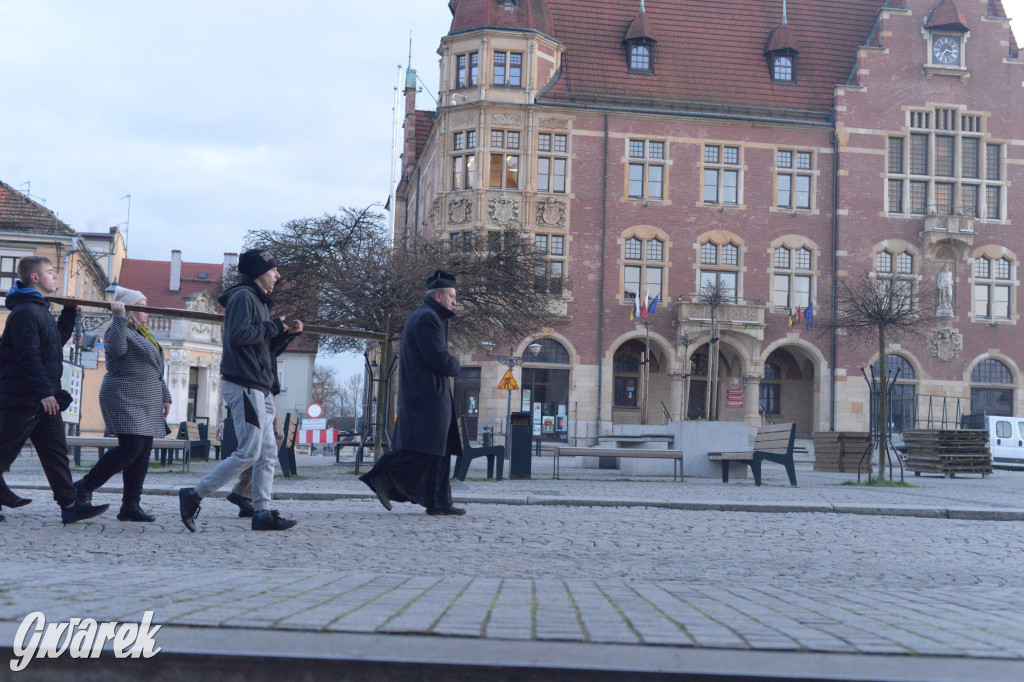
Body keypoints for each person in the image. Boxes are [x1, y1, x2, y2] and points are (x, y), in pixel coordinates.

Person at [178, 248, 302, 531]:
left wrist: (285, 334)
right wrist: (273, 326)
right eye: (274, 270)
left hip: (259, 386)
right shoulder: (244, 297)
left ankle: (262, 512)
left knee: (268, 451)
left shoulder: (258, 300)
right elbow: (239, 336)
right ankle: (194, 494)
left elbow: (262, 348)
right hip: (244, 385)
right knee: (249, 452)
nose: (278, 276)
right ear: (260, 272)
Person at [0, 256, 110, 524]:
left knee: (55, 452)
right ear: (35, 278)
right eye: (50, 272)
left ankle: (70, 505)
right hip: (24, 398)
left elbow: (54, 344)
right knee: (4, 450)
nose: (55, 277)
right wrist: (43, 392)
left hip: (44, 398)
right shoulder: (25, 312)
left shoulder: (40, 310)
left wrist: (70, 312)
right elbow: (28, 357)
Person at [360, 270, 465, 516]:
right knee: (422, 450)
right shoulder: (428, 318)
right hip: (427, 395)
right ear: (438, 296)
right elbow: (439, 359)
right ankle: (381, 478)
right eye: (452, 296)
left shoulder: (430, 316)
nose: (455, 301)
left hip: (429, 393)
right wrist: (456, 364)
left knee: (437, 450)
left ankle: (440, 502)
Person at [70, 287, 171, 522]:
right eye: (142, 307)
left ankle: (130, 506)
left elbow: (156, 369)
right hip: (124, 395)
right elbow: (115, 350)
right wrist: (118, 318)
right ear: (130, 310)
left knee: (142, 451)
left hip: (147, 398)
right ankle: (84, 486)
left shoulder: (146, 334)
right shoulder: (118, 329)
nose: (147, 312)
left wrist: (165, 395)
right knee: (131, 448)